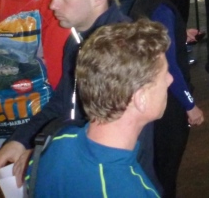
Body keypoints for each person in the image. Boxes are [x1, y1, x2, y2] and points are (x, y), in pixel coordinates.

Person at [0, 0, 156, 190]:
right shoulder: (78, 39)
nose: (52, 4)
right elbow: (63, 102)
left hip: (114, 178)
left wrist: (44, 151)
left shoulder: (121, 50)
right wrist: (21, 139)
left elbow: (110, 135)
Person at [32, 20, 170, 197]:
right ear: (140, 98)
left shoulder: (54, 143)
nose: (170, 80)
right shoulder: (126, 191)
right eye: (164, 75)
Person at [131, 0, 205, 198]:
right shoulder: (162, 9)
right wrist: (190, 105)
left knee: (155, 162)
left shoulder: (143, 1)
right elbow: (169, 66)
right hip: (168, 100)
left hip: (146, 91)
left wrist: (179, 35)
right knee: (166, 168)